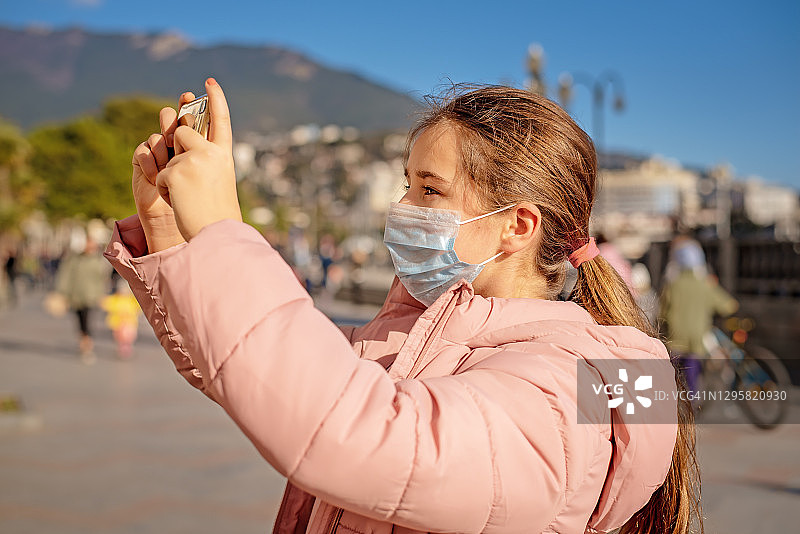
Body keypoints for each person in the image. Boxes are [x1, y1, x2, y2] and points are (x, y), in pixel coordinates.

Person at [104, 80, 701, 534]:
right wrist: (170, 233)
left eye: (430, 189)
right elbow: (251, 364)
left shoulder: (577, 387)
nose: (404, 205)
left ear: (516, 226)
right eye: (406, 183)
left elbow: (358, 432)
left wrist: (223, 233)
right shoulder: (411, 336)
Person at [659, 237, 739, 395]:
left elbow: (663, 313)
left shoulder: (672, 286)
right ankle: (691, 409)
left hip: (675, 339)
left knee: (674, 378)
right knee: (692, 377)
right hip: (697, 339)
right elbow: (729, 305)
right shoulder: (705, 284)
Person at [56, 236, 110, 364]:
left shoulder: (98, 260)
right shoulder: (74, 259)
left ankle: (86, 345)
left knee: (88, 319)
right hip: (76, 295)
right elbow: (66, 275)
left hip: (91, 296)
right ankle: (83, 339)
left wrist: (102, 294)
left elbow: (102, 279)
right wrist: (63, 293)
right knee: (79, 319)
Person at [100, 279, 141, 359]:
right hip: (118, 323)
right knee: (120, 337)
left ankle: (127, 347)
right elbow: (107, 303)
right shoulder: (116, 299)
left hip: (130, 323)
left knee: (129, 336)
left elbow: (138, 305)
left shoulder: (131, 300)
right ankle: (122, 347)